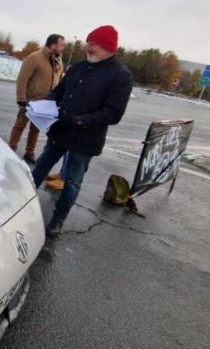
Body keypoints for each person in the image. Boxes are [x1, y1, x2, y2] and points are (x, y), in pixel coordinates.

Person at [31, 25, 133, 238]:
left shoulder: (120, 75)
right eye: (88, 42)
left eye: (93, 44)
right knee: (39, 169)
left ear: (107, 47)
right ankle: (22, 204)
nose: (88, 47)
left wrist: (77, 121)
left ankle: (57, 221)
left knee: (73, 182)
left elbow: (113, 114)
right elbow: (58, 93)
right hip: (60, 132)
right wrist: (43, 106)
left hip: (86, 140)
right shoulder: (78, 67)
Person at [9, 34, 65, 163]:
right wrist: (21, 98)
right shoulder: (34, 58)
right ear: (53, 45)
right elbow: (22, 79)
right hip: (29, 101)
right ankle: (11, 148)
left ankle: (30, 152)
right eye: (61, 45)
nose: (63, 48)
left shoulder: (58, 60)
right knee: (19, 126)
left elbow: (59, 79)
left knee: (36, 129)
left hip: (45, 102)